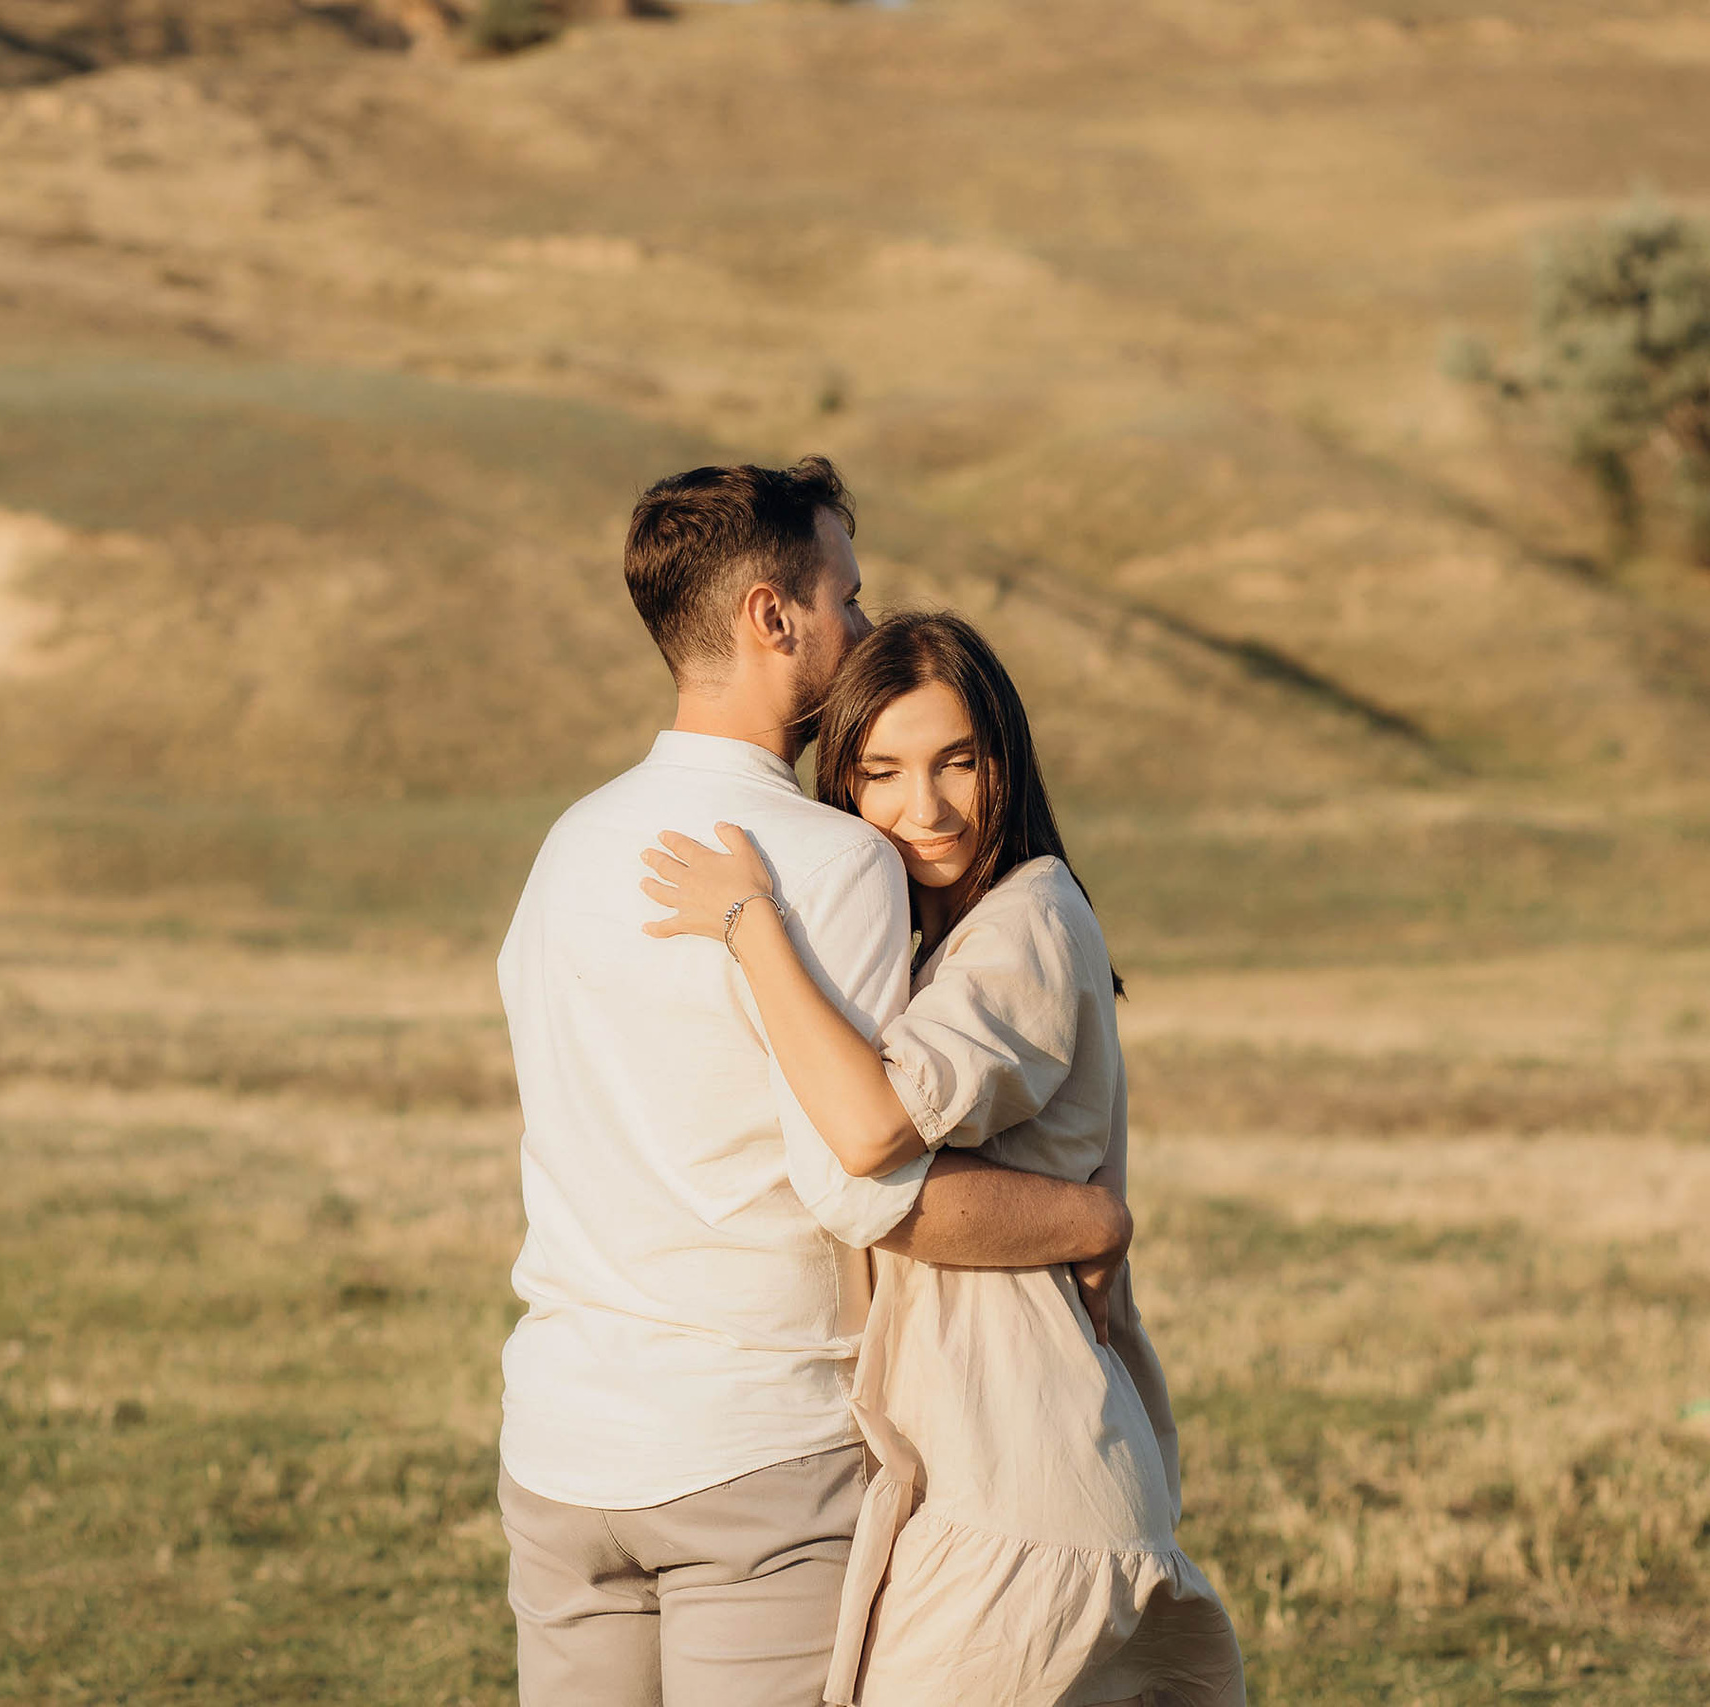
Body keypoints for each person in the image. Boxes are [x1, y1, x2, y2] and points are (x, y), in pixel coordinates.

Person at [495, 459, 1136, 1707]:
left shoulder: (567, 842)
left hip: (560, 1447)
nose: (858, 625)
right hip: (753, 1449)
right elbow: (859, 1181)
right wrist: (1088, 1218)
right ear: (769, 618)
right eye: (843, 593)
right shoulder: (834, 861)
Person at [638, 611, 1245, 1706]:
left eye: (958, 762)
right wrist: (1091, 1222)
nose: (924, 809)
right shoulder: (953, 943)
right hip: (991, 1471)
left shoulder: (1025, 924)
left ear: (1005, 759)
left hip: (1023, 1480)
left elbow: (870, 1133)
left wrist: (750, 922)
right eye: (881, 772)